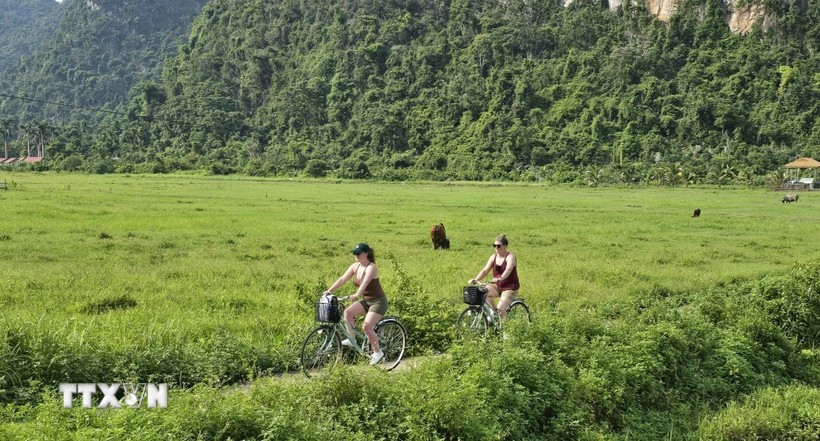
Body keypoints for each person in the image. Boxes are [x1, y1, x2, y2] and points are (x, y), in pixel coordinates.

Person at [324, 242, 388, 365]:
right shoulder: (355, 266)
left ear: (366, 254)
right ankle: (351, 338)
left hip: (378, 302)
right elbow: (342, 279)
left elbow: (365, 282)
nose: (356, 255)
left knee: (366, 327)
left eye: (358, 253)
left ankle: (378, 352)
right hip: (367, 301)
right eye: (354, 253)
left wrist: (356, 295)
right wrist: (329, 291)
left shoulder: (371, 267)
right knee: (347, 313)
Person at [468, 234, 519, 320]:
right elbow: (485, 270)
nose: (496, 248)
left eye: (498, 246)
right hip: (497, 285)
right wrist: (475, 279)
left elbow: (509, 269)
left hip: (510, 287)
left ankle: (506, 331)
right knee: (482, 292)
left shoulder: (510, 257)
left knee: (501, 310)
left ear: (505, 246)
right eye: (494, 246)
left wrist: (500, 278)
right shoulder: (493, 257)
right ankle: (494, 314)